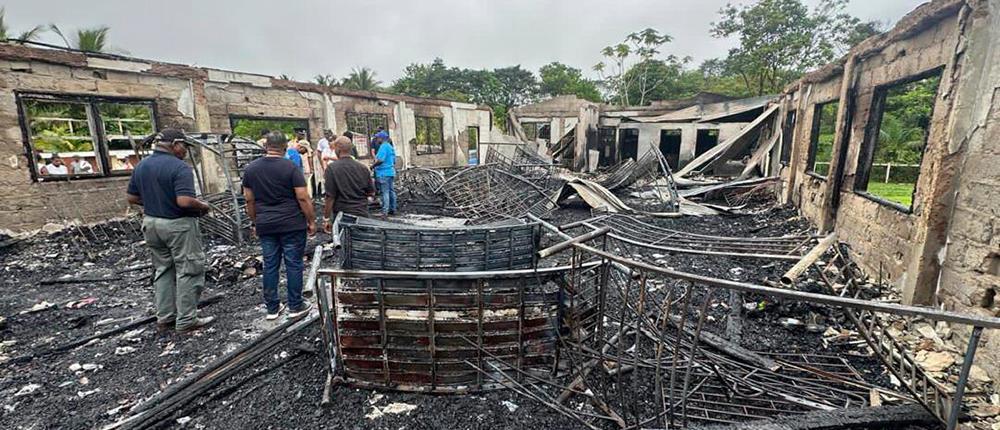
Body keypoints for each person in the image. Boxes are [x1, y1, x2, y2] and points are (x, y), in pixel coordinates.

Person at [125, 128, 214, 332]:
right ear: (174, 144)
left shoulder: (142, 165)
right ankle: (186, 320)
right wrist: (203, 206)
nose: (185, 151)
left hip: (152, 223)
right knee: (189, 269)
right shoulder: (179, 167)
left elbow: (131, 198)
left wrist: (155, 202)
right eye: (184, 146)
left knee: (163, 269)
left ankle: (165, 317)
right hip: (177, 224)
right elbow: (183, 201)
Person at [242, 131, 316, 320]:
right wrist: (311, 221)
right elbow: (303, 197)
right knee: (293, 263)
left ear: (266, 146)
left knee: (270, 265)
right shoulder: (291, 167)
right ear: (284, 147)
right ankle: (295, 305)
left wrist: (255, 222)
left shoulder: (251, 169)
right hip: (292, 223)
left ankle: (272, 309)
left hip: (266, 224)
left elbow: (249, 200)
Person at [323, 136, 375, 227]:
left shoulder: (332, 169)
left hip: (342, 216)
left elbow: (330, 197)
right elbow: (371, 192)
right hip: (362, 215)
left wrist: (326, 218)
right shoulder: (363, 168)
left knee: (344, 240)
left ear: (337, 149)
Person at [371, 130, 397, 216]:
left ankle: (385, 211)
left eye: (377, 137)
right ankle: (392, 209)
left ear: (381, 138)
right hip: (390, 172)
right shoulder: (390, 147)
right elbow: (394, 161)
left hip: (383, 173)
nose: (376, 139)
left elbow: (380, 160)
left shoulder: (383, 147)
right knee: (391, 191)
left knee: (384, 192)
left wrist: (373, 166)